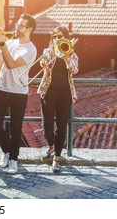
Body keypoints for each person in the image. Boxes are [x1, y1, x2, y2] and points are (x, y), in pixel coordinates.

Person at [0, 13, 37, 174]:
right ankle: (7, 151)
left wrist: (2, 44)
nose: (17, 27)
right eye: (17, 24)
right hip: (2, 87)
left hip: (19, 91)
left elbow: (11, 64)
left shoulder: (31, 49)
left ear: (29, 29)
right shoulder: (9, 43)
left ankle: (14, 160)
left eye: (21, 25)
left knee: (16, 127)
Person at [37, 26, 79, 173]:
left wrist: (67, 57)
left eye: (59, 36)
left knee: (61, 126)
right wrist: (46, 59)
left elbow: (74, 70)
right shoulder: (48, 51)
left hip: (65, 92)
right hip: (48, 92)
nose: (56, 39)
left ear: (65, 37)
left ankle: (57, 158)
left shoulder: (72, 53)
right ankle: (52, 145)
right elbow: (43, 63)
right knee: (46, 125)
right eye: (54, 37)